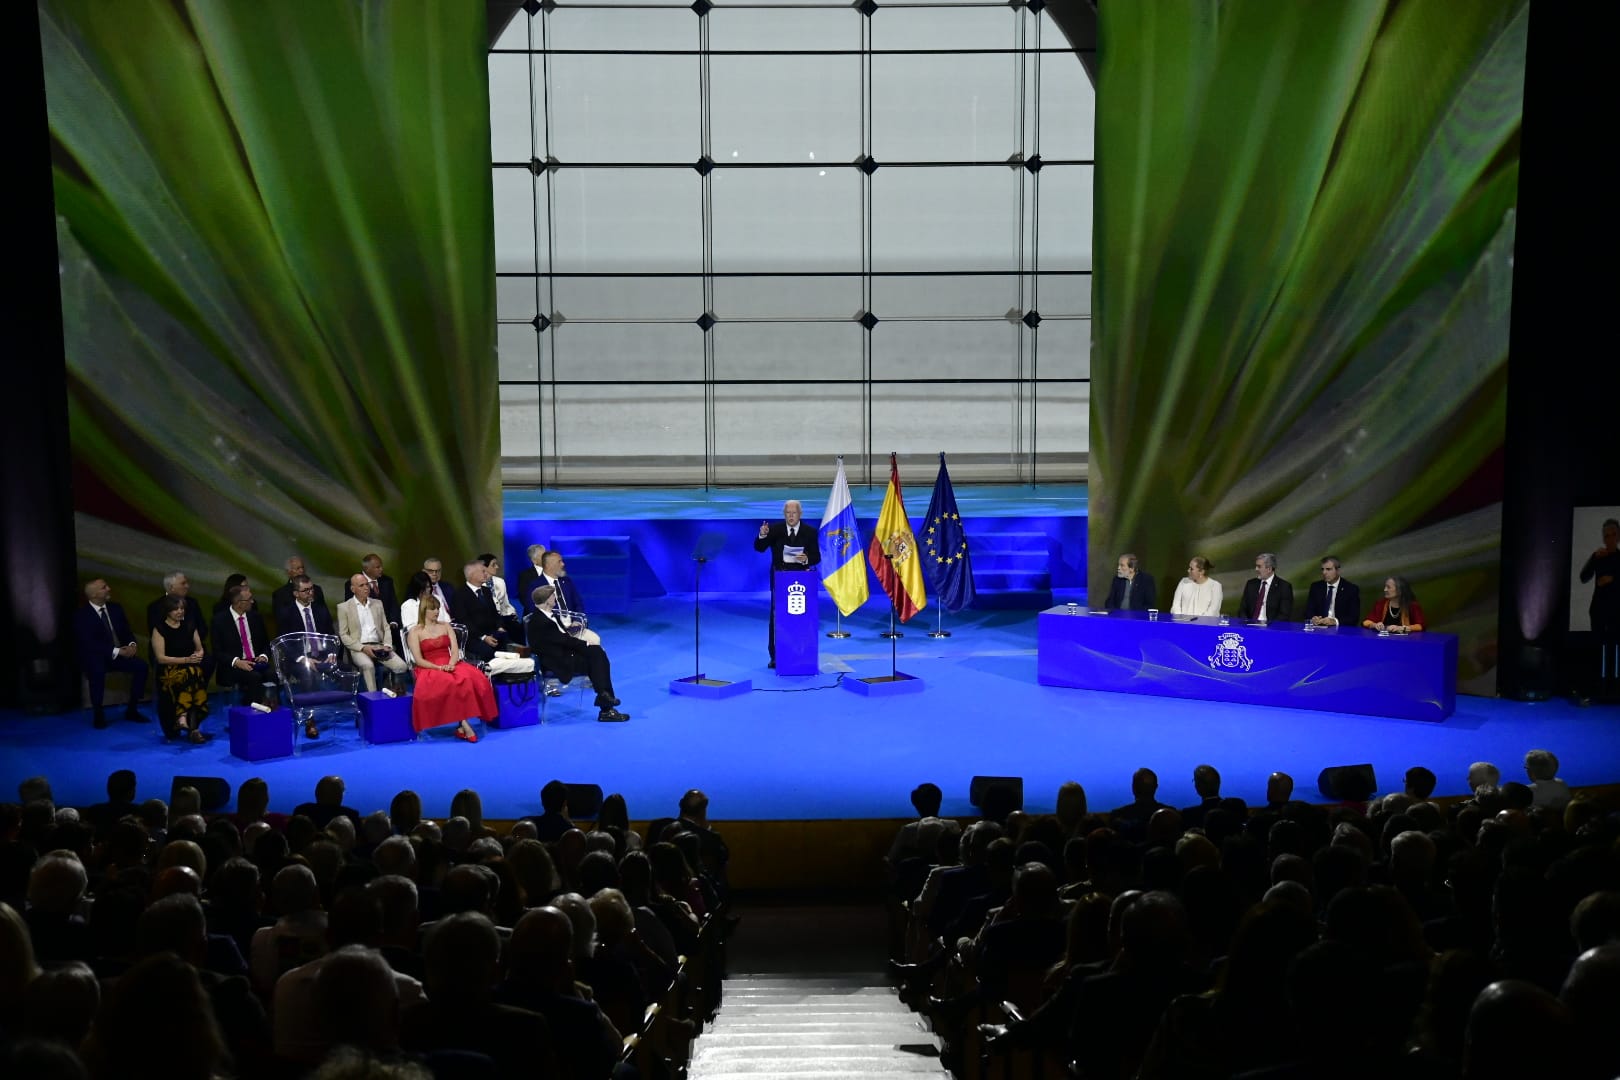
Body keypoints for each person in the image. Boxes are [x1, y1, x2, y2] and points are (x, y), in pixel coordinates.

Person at [528, 584, 628, 722]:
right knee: (597, 658)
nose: (555, 598)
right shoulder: (540, 621)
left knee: (597, 653)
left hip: (563, 652)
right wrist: (585, 644)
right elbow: (563, 640)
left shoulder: (550, 615)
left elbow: (563, 638)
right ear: (546, 601)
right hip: (557, 661)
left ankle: (605, 700)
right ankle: (606, 705)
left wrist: (584, 643)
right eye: (553, 596)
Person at [406, 593, 496, 743]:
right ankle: (465, 725)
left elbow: (455, 651)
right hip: (429, 667)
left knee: (470, 678)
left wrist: (451, 664)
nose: (436, 612)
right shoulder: (415, 632)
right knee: (450, 683)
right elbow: (418, 660)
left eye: (437, 608)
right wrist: (439, 668)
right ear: (424, 611)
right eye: (432, 609)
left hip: (451, 662)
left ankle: (462, 726)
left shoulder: (446, 626)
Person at [754, 499, 821, 667]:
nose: (791, 516)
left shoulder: (810, 532)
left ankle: (802, 652)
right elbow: (759, 547)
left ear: (800, 514)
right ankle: (775, 656)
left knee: (801, 618)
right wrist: (762, 534)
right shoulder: (775, 530)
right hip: (780, 581)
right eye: (788, 513)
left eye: (794, 513)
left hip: (802, 582)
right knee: (776, 617)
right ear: (784, 515)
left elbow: (816, 557)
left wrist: (807, 559)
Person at [73, 579, 148, 729]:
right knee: (97, 671)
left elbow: (126, 631)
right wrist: (117, 651)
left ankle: (132, 709)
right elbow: (89, 644)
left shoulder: (116, 609)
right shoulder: (82, 615)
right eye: (104, 588)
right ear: (94, 595)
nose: (109, 589)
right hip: (95, 656)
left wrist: (132, 645)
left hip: (119, 655)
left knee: (141, 667)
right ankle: (98, 713)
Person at [151, 595, 210, 743]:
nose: (180, 611)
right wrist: (186, 660)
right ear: (167, 611)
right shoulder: (159, 629)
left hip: (189, 667)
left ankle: (184, 718)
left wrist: (198, 655)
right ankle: (192, 727)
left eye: (182, 608)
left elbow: (199, 649)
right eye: (176, 609)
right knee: (193, 674)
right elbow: (161, 658)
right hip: (169, 669)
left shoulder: (189, 626)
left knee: (193, 673)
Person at [338, 574, 409, 691]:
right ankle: (373, 698)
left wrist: (387, 645)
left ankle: (395, 695)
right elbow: (344, 635)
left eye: (367, 584)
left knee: (401, 666)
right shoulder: (344, 607)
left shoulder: (377, 603)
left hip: (379, 646)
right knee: (368, 665)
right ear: (353, 589)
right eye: (361, 585)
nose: (366, 588)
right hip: (359, 647)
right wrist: (362, 648)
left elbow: (386, 627)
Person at [211, 584, 273, 705]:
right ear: (239, 603)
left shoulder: (256, 617)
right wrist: (237, 662)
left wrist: (264, 656)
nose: (252, 601)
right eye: (249, 599)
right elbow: (217, 652)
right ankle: (252, 712)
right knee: (254, 677)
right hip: (233, 666)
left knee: (272, 675)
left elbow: (266, 643)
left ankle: (273, 710)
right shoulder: (219, 620)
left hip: (256, 662)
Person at [447, 560, 507, 664]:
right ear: (472, 574)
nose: (486, 574)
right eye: (483, 571)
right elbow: (463, 621)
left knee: (508, 643)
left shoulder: (486, 591)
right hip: (473, 637)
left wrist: (500, 627)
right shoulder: (459, 595)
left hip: (492, 633)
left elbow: (495, 613)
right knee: (487, 651)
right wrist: (483, 637)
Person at [1579, 517, 1619, 636]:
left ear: (1618, 536)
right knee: (1597, 647)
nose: (1611, 539)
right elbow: (1583, 578)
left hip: (1617, 612)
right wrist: (1593, 558)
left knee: (1615, 647)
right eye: (1607, 536)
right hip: (1598, 611)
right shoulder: (1598, 557)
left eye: (1613, 535)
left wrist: (1612, 579)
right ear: (1603, 539)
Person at [270, 556, 327, 631]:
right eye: (297, 568)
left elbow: (325, 618)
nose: (301, 571)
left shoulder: (317, 590)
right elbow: (281, 624)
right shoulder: (280, 595)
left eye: (302, 567)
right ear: (289, 572)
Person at [1236, 552, 1293, 623]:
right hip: (1250, 627)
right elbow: (1242, 609)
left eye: (1259, 566)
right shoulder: (1251, 584)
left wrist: (1268, 627)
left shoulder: (1284, 587)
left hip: (1271, 630)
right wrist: (1246, 623)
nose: (1256, 569)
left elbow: (1284, 615)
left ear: (1269, 569)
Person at [1306, 555, 1361, 626]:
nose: (1324, 573)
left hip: (1340, 630)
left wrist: (1334, 621)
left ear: (1338, 571)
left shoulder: (1351, 589)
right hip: (1319, 628)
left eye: (1328, 569)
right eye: (1322, 569)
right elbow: (1308, 611)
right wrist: (1313, 618)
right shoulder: (1316, 587)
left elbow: (1354, 617)